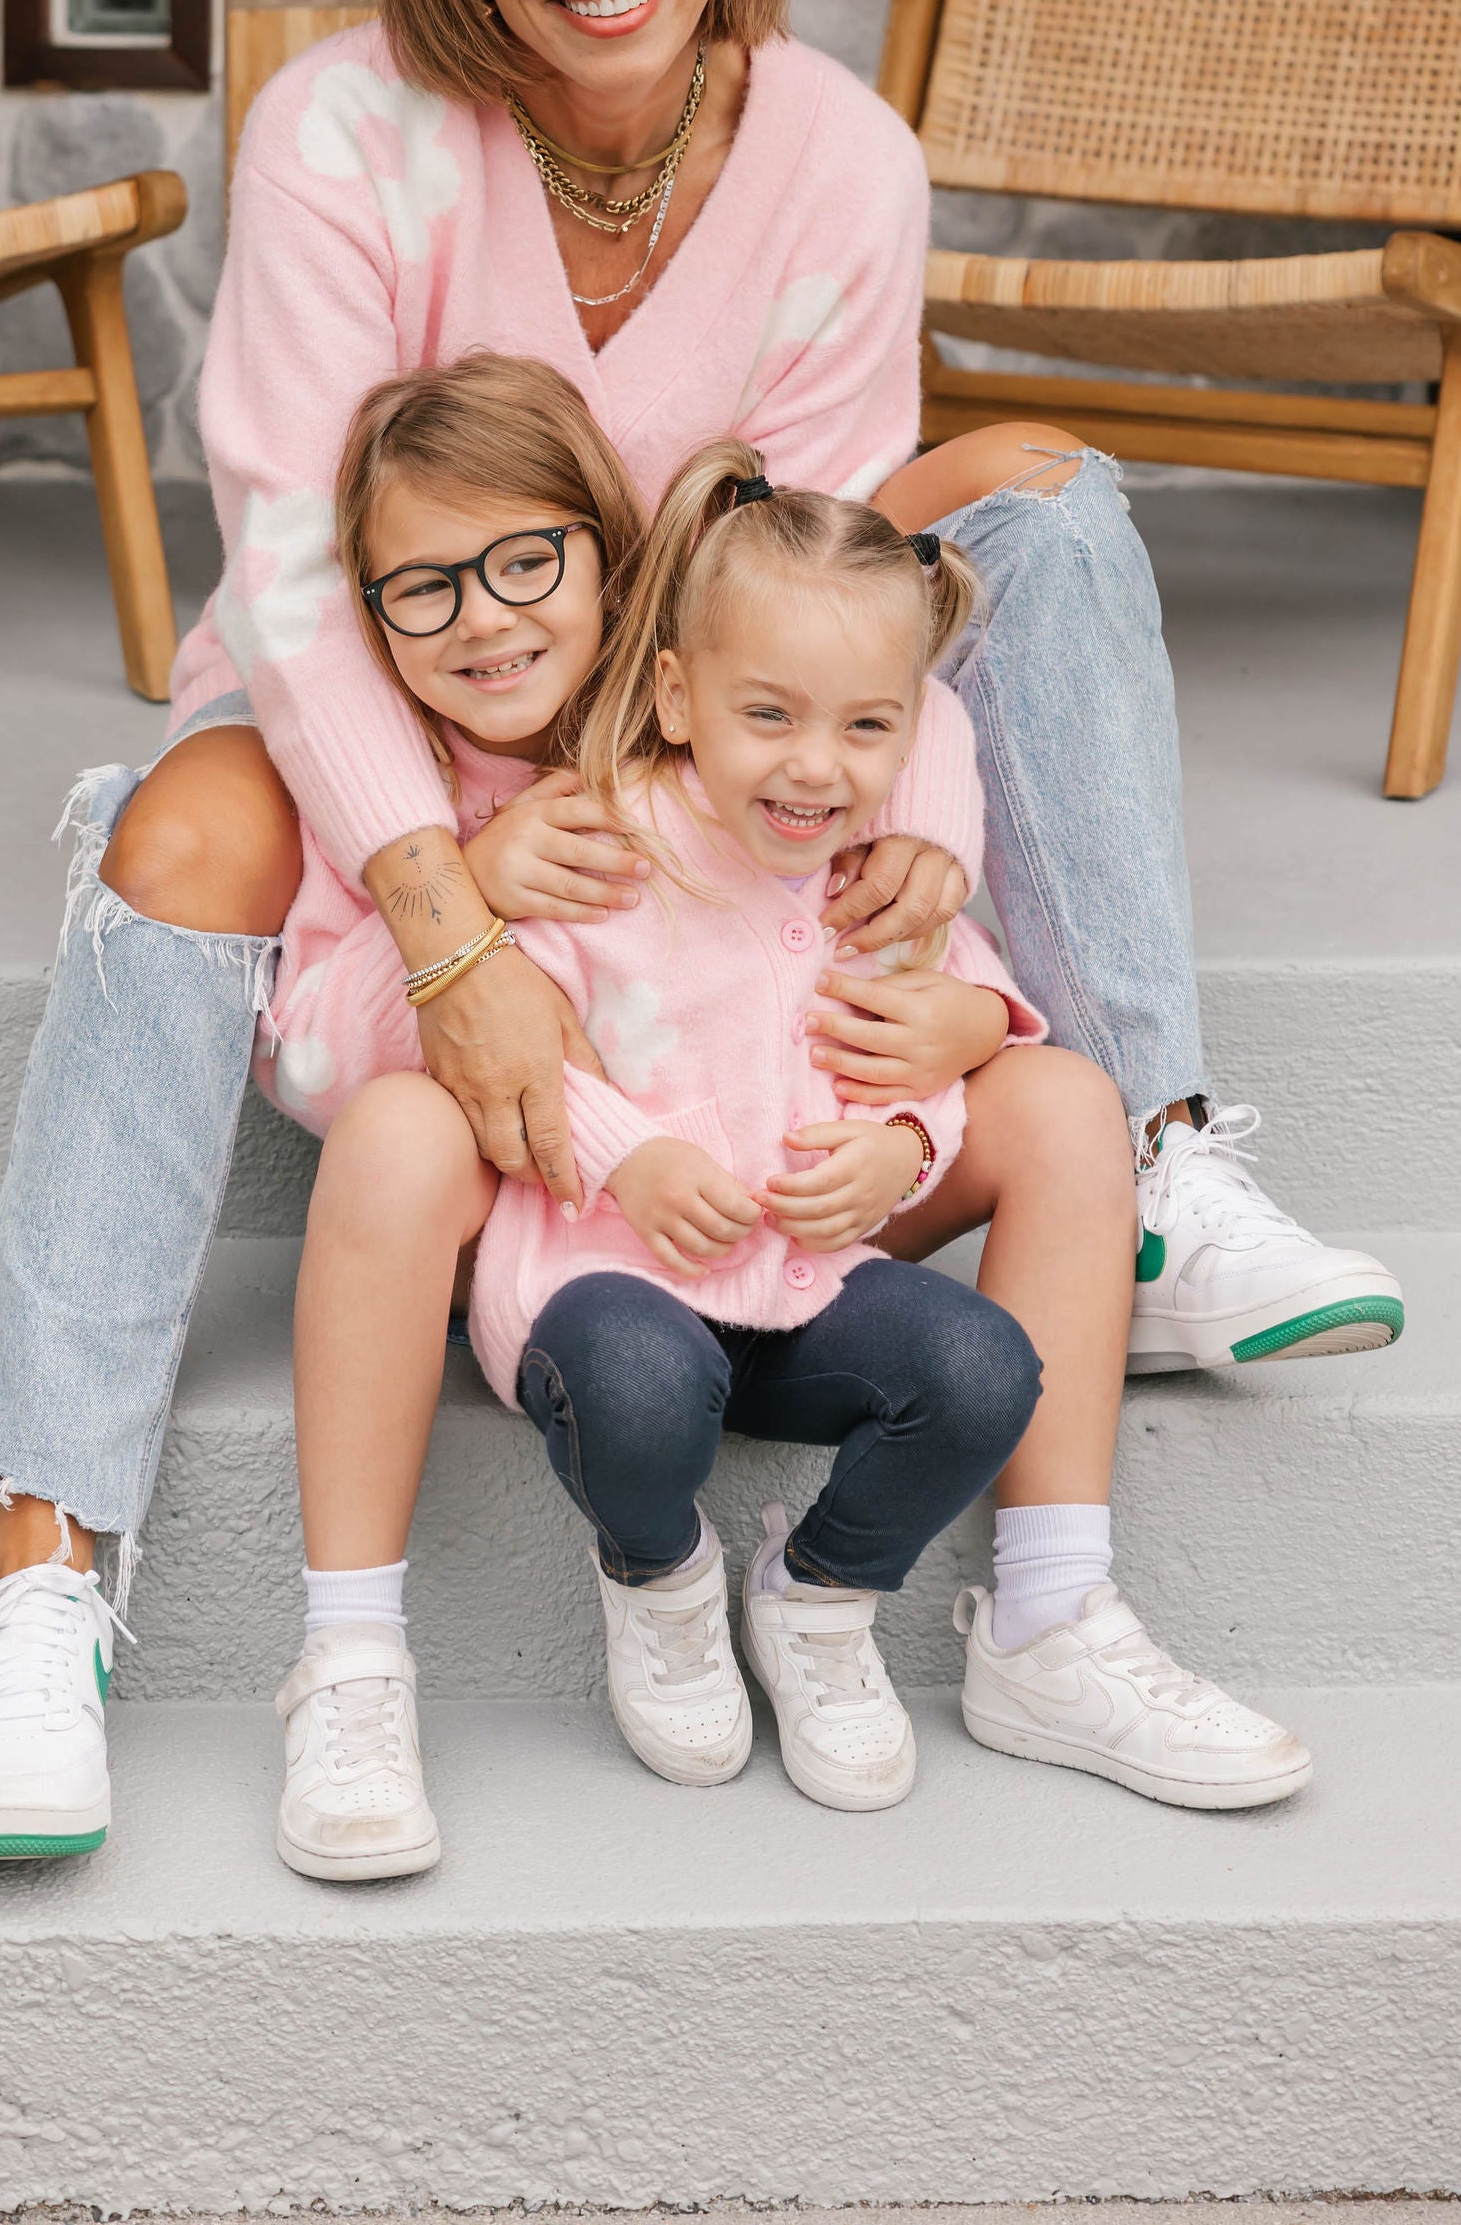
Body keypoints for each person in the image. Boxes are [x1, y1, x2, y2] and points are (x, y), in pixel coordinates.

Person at [0, 0, 1398, 1867]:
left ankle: (1151, 1156)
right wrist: (444, 915)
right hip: (396, 712)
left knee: (1043, 492)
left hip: (693, 759)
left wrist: (921, 847)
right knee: (184, 827)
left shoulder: (833, 159)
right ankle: (38, 1572)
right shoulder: (345, 129)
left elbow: (827, 564)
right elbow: (299, 556)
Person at [270, 374, 1312, 1879]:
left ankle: (1046, 1611)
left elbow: (901, 718)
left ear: (612, 565)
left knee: (1064, 1118)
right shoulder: (419, 792)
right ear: (371, 615)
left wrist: (964, 1042)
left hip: (802, 1251)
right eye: (424, 589)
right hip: (577, 1239)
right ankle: (358, 1658)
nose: (485, 618)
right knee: (404, 1146)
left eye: (525, 564)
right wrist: (462, 902)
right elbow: (333, 1058)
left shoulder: (792, 759)